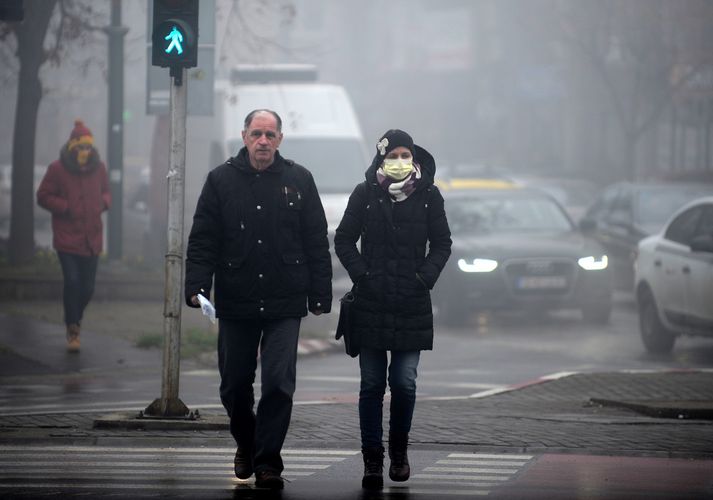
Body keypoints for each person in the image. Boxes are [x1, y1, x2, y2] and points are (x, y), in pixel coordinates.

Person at [184, 109, 332, 490]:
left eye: (269, 134)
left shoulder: (300, 179)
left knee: (279, 383)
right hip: (236, 299)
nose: (263, 141)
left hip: (285, 301)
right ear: (244, 136)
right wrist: (197, 286)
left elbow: (316, 240)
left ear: (280, 139)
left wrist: (320, 291)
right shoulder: (220, 180)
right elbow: (203, 239)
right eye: (256, 134)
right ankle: (246, 443)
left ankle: (267, 463)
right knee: (234, 386)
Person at [334, 129, 451, 490]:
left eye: (406, 154)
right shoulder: (365, 194)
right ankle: (373, 458)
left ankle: (399, 453)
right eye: (393, 155)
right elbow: (343, 239)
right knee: (371, 384)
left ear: (414, 158)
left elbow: (442, 244)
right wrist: (361, 275)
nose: (400, 161)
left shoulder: (429, 195)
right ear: (381, 158)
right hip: (370, 302)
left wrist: (424, 277)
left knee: (403, 382)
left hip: (411, 303)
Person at [36, 120, 111, 352]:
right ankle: (73, 327)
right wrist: (65, 206)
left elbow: (107, 192)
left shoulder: (99, 168)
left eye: (87, 147)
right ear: (72, 147)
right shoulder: (57, 169)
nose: (84, 152)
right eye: (80, 147)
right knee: (73, 281)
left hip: (92, 239)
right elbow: (43, 195)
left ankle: (74, 317)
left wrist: (102, 203)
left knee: (87, 288)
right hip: (67, 239)